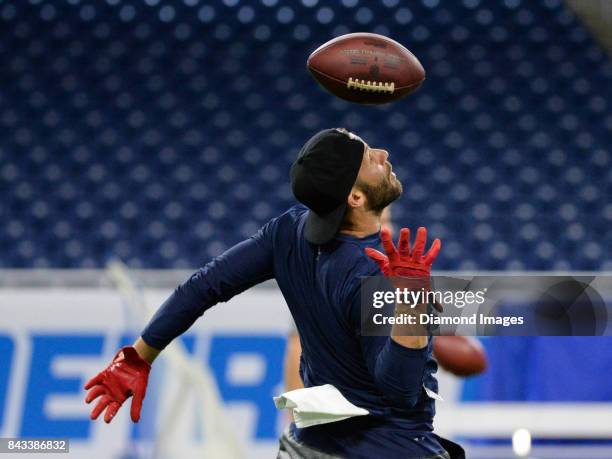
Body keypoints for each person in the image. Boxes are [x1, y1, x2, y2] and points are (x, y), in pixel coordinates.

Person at [84, 128, 464, 458]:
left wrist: (139, 355)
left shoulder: (288, 233)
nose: (384, 154)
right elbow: (399, 391)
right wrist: (412, 304)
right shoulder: (370, 274)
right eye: (370, 159)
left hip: (308, 446)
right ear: (355, 198)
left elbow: (204, 286)